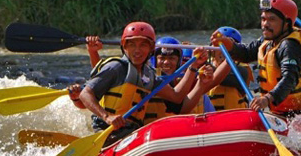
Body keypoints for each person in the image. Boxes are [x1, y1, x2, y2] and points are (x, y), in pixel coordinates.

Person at [76, 22, 209, 147]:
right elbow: (85, 94)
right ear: (124, 46)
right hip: (108, 132)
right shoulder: (115, 67)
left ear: (151, 48)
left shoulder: (149, 75)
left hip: (131, 133)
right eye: (132, 45)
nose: (137, 50)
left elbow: (176, 96)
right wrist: (107, 116)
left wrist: (193, 66)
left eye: (143, 45)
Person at [211, 0, 301, 117]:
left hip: (300, 116)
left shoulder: (290, 46)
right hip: (281, 112)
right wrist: (228, 44)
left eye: (271, 19)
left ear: (287, 23)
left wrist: (267, 99)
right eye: (263, 19)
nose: (265, 24)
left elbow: (290, 79)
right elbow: (246, 53)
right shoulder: (268, 40)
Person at [206, 26, 253, 111]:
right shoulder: (204, 67)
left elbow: (223, 78)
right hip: (211, 118)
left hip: (234, 117)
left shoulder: (243, 70)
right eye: (221, 47)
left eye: (227, 48)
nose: (224, 52)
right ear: (212, 50)